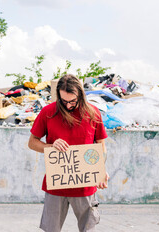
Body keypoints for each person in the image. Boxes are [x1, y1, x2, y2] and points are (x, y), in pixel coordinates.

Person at [28, 74, 109, 232]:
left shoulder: (93, 114)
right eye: (64, 101)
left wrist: (101, 170)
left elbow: (101, 146)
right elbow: (32, 142)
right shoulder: (48, 112)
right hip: (56, 185)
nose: (69, 105)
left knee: (88, 228)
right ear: (58, 96)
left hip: (85, 185)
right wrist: (50, 147)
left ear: (80, 95)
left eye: (73, 101)